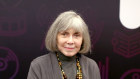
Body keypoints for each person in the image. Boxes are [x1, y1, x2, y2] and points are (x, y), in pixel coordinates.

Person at [27, 10, 101, 79]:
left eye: (76, 35)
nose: (70, 41)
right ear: (55, 37)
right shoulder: (38, 66)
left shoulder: (91, 66)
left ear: (83, 39)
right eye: (64, 34)